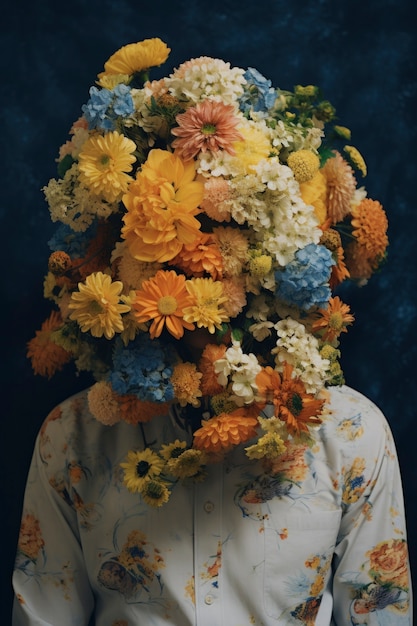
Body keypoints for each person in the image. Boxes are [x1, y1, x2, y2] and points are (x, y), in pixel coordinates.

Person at [12, 38, 412, 625]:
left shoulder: (351, 435)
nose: (209, 279)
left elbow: (381, 613)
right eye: (179, 259)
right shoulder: (74, 438)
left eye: (228, 257)